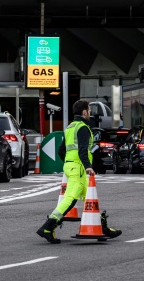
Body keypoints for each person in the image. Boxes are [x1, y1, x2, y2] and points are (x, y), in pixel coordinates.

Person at [36, 99, 121, 243]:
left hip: (71, 166)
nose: (90, 114)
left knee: (89, 198)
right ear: (84, 112)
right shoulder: (83, 128)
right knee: (70, 199)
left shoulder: (70, 127)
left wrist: (69, 162)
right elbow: (83, 149)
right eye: (89, 110)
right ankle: (47, 227)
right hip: (79, 168)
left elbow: (61, 150)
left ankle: (102, 227)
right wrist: (88, 166)